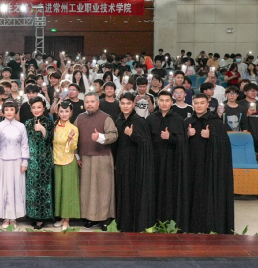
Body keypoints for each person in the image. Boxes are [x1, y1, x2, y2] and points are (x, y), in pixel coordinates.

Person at [185, 93, 235, 234]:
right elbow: (179, 145)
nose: (199, 106)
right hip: (191, 167)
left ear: (208, 104)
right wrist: (186, 134)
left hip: (210, 168)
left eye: (202, 103)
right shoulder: (187, 122)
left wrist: (211, 136)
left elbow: (225, 146)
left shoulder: (216, 123)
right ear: (192, 104)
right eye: (196, 103)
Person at [146, 91, 191, 229]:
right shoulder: (150, 119)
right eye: (161, 100)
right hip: (154, 161)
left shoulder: (178, 119)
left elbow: (183, 142)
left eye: (167, 100)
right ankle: (153, 221)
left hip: (172, 162)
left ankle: (169, 221)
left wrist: (170, 137)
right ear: (157, 102)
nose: (164, 103)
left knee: (169, 192)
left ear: (172, 102)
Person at [75, 92, 118, 229]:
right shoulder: (80, 118)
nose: (89, 104)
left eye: (92, 101)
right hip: (84, 158)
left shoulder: (106, 118)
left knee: (103, 189)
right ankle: (90, 217)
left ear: (98, 103)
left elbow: (114, 135)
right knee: (87, 190)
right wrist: (77, 156)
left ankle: (104, 218)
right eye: (87, 102)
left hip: (102, 158)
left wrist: (100, 137)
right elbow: (74, 137)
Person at [115, 93, 156, 232]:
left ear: (133, 104)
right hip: (122, 164)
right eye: (123, 103)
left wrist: (132, 135)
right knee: (123, 193)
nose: (125, 106)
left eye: (128, 103)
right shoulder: (119, 121)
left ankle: (134, 224)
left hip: (136, 165)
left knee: (133, 193)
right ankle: (123, 224)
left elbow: (146, 144)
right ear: (119, 105)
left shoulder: (139, 121)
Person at [0, 100, 29, 228]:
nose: (9, 112)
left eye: (11, 110)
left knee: (16, 188)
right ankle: (5, 217)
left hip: (17, 161)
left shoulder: (21, 126)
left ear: (15, 111)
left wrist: (24, 162)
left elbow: (24, 144)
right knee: (4, 188)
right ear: (3, 111)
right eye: (6, 110)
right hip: (3, 161)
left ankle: (14, 218)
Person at [23, 97, 54, 229]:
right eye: (34, 107)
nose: (36, 110)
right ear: (31, 109)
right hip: (31, 160)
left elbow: (51, 139)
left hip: (44, 161)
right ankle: (32, 215)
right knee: (32, 189)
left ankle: (42, 218)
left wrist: (42, 129)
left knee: (43, 189)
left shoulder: (49, 122)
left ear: (44, 108)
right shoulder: (28, 123)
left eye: (39, 107)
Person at [52, 102, 80, 230]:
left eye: (67, 111)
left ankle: (66, 220)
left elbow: (71, 149)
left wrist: (69, 139)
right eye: (62, 111)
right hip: (55, 161)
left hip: (68, 161)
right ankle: (61, 217)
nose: (64, 114)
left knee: (68, 191)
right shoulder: (54, 126)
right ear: (58, 112)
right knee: (59, 190)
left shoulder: (73, 128)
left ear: (71, 112)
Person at [240, 83, 258, 151]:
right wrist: (247, 114)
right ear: (245, 92)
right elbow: (237, 121)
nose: (253, 93)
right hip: (245, 134)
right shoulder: (240, 104)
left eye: (255, 91)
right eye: (251, 91)